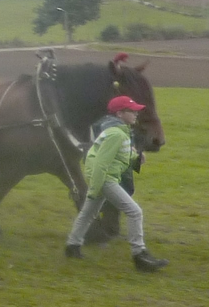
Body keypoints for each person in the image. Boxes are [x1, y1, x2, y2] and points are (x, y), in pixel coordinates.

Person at [65, 95, 168, 271]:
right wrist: (95, 189)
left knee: (87, 213)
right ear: (120, 113)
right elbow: (101, 164)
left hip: (104, 178)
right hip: (106, 180)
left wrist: (136, 157)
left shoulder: (118, 131)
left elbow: (116, 155)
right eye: (132, 111)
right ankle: (139, 255)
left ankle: (72, 246)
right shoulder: (116, 134)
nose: (136, 113)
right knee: (135, 212)